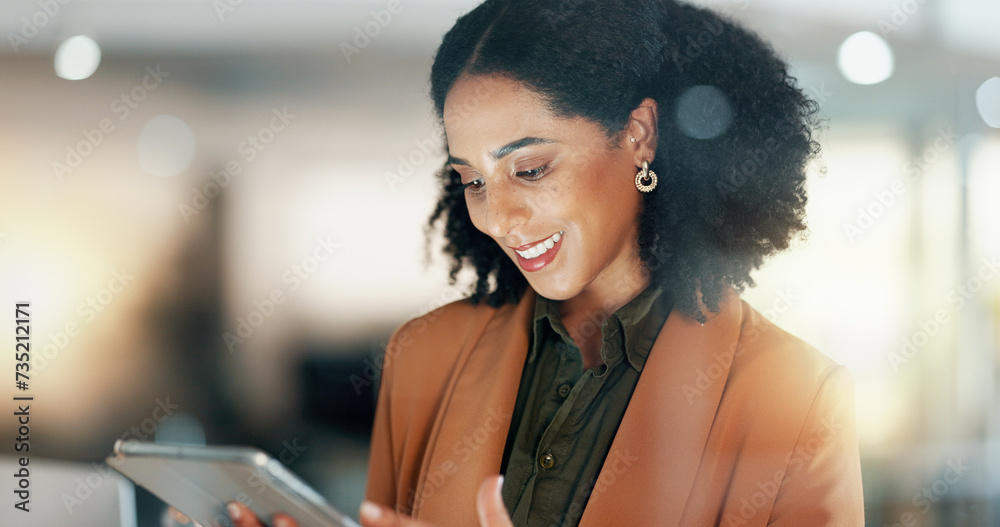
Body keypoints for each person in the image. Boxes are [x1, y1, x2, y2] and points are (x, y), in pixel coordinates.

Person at [229, 0, 864, 525]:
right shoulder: (425, 355)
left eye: (529, 170)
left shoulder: (796, 398)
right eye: (471, 181)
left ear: (639, 133)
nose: (498, 217)